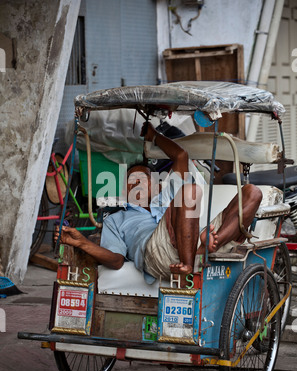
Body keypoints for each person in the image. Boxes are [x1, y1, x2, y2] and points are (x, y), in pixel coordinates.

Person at [54, 122, 262, 287]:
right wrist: (82, 242)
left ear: (155, 186)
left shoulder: (164, 197)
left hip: (196, 240)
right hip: (158, 252)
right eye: (132, 182)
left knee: (252, 192)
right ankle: (189, 264)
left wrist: (154, 136)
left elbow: (180, 156)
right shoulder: (117, 219)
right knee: (189, 192)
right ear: (125, 193)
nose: (138, 185)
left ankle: (209, 245)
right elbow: (116, 260)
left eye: (144, 180)